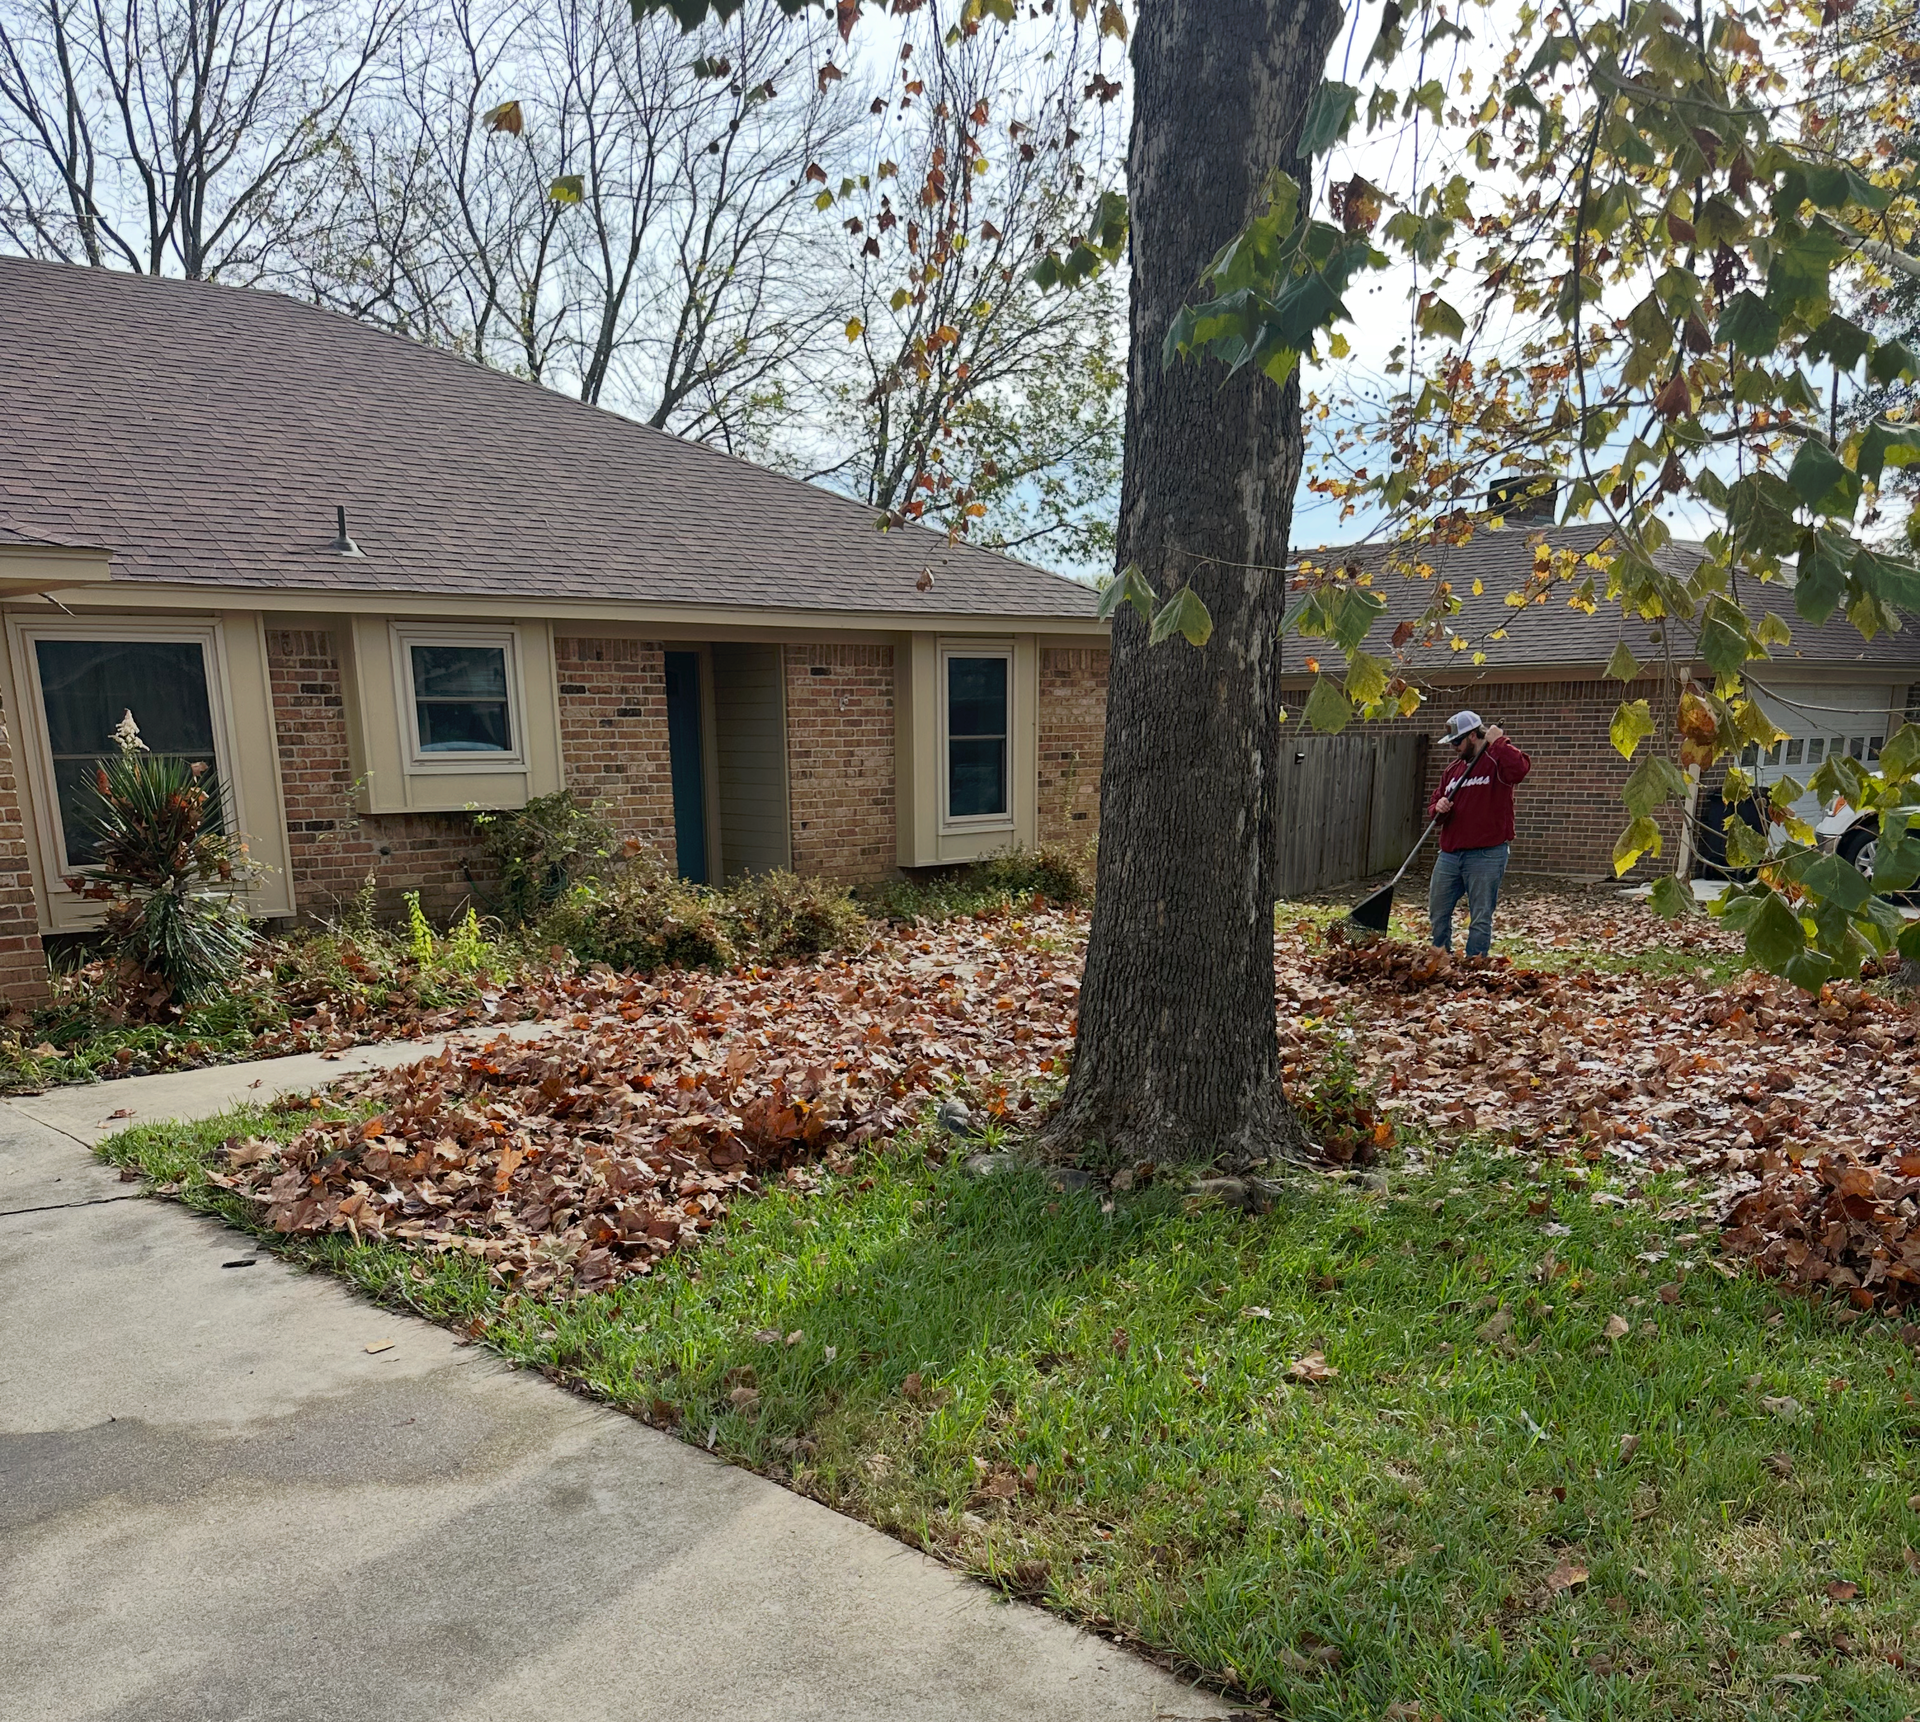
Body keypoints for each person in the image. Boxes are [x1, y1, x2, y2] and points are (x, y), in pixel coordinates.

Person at [1428, 709, 1531, 958]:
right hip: (1450, 855)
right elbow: (1435, 811)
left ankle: (1475, 963)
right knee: (1438, 910)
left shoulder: (1496, 761)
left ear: (1473, 736)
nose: (1453, 747)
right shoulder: (1452, 771)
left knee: (1480, 916)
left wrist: (1499, 742)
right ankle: (1440, 957)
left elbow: (1520, 769)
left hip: (1487, 854)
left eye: (1457, 741)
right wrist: (1438, 808)